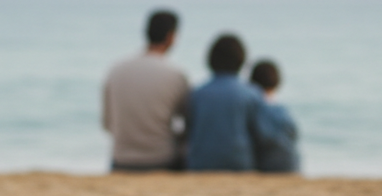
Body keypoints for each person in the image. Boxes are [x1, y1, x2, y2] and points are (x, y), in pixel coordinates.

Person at [102, 10, 190, 171]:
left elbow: (107, 124)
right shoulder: (175, 75)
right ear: (171, 37)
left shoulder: (116, 70)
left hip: (121, 160)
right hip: (161, 160)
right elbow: (188, 123)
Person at [185, 33, 264, 171]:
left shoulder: (197, 94)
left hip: (201, 164)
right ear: (241, 61)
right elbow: (260, 133)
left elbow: (189, 129)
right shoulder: (252, 94)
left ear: (210, 60)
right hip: (239, 163)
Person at [249, 60, 301, 173]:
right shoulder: (283, 111)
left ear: (251, 83)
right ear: (277, 83)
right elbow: (294, 135)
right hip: (291, 166)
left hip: (266, 167)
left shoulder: (254, 110)